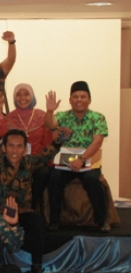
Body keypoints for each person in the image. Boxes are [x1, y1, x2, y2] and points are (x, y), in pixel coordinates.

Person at [0, 126, 64, 273]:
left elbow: (45, 155)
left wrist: (58, 141)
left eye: (19, 146)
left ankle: (36, 268)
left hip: (22, 212)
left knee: (37, 221)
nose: (15, 150)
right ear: (4, 148)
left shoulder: (28, 162)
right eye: (11, 145)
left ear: (25, 149)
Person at [46, 82, 109, 232]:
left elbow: (97, 142)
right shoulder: (63, 116)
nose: (79, 100)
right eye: (75, 97)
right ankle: (54, 220)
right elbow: (49, 125)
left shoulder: (98, 117)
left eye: (83, 96)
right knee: (54, 178)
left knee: (92, 179)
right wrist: (49, 111)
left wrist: (81, 159)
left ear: (89, 100)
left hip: (89, 159)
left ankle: (102, 221)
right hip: (66, 161)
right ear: (70, 100)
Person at [0, 83, 55, 209]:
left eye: (26, 94)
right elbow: (0, 132)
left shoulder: (41, 115)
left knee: (44, 172)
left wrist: (50, 111)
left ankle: (30, 207)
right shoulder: (11, 117)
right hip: (16, 160)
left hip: (36, 161)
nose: (22, 98)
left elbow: (47, 139)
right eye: (19, 95)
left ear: (32, 96)